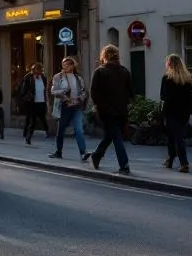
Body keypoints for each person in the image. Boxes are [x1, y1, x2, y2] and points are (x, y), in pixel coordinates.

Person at [89, 45, 135, 174]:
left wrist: (99, 106)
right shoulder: (125, 71)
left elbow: (94, 93)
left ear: (104, 56)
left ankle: (123, 164)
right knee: (114, 135)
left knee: (114, 136)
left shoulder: (100, 71)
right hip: (122, 110)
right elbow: (131, 92)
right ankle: (97, 155)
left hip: (106, 111)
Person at [160, 54, 192, 173]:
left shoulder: (167, 78)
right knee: (176, 136)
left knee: (175, 137)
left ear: (169, 64)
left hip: (171, 111)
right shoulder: (186, 79)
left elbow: (163, 96)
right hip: (184, 111)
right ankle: (170, 159)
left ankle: (184, 163)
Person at [49, 57, 90, 161]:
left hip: (76, 106)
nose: (65, 67)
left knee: (79, 130)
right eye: (64, 64)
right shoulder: (58, 77)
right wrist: (63, 93)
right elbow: (53, 91)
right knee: (61, 129)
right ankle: (58, 151)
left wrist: (80, 98)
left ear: (73, 66)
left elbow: (84, 91)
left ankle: (83, 153)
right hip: (65, 106)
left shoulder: (78, 77)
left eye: (68, 64)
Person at [14, 63, 48, 145]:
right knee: (32, 120)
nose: (39, 72)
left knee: (42, 118)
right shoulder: (28, 78)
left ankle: (47, 131)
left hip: (42, 101)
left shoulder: (43, 78)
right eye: (37, 70)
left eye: (40, 70)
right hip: (32, 102)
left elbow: (44, 89)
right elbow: (23, 91)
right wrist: (26, 98)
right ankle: (28, 137)